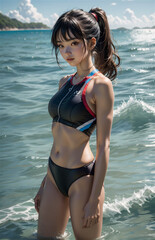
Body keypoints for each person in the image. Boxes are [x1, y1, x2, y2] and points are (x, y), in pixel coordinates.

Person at [34, 7, 120, 240]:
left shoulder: (101, 86)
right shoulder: (64, 82)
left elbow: (104, 147)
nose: (66, 51)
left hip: (81, 178)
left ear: (91, 42)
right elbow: (57, 138)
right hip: (54, 174)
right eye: (61, 46)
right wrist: (44, 183)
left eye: (72, 43)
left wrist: (94, 200)